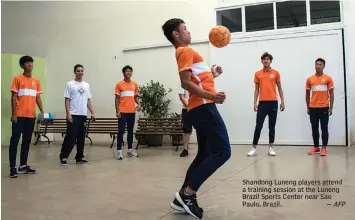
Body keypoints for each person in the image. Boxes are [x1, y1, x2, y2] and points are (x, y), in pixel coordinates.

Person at [162, 18, 231, 219]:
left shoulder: (186, 52)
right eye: (185, 29)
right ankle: (188, 193)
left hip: (198, 108)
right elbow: (185, 83)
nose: (189, 32)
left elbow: (194, 79)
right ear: (176, 34)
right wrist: (211, 96)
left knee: (204, 154)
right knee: (223, 151)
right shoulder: (184, 51)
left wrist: (212, 74)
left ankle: (181, 198)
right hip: (204, 107)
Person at [8, 56, 44, 178]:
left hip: (31, 117)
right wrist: (14, 114)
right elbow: (13, 97)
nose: (30, 64)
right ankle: (12, 167)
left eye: (31, 62)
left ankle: (23, 165)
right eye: (27, 63)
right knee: (15, 141)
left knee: (27, 142)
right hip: (19, 116)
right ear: (22, 66)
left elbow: (38, 98)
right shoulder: (17, 79)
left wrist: (42, 111)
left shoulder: (36, 81)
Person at [247, 52, 285, 157]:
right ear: (262, 61)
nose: (266, 60)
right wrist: (255, 103)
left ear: (270, 61)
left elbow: (280, 88)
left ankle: (271, 147)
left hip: (273, 103)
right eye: (264, 59)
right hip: (262, 103)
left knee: (271, 126)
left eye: (268, 59)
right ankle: (254, 148)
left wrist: (282, 101)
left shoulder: (276, 73)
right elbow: (256, 90)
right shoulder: (257, 74)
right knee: (258, 126)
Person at [59, 64, 95, 166]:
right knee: (71, 137)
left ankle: (79, 157)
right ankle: (63, 156)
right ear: (74, 72)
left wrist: (92, 112)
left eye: (82, 71)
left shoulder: (86, 85)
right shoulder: (70, 84)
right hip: (73, 114)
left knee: (81, 137)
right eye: (78, 71)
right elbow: (67, 100)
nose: (80, 72)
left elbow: (88, 100)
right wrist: (68, 114)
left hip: (83, 114)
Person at [306, 58, 334, 156]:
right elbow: (307, 94)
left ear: (323, 66)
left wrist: (331, 107)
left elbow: (331, 94)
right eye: (317, 64)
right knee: (314, 128)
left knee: (324, 128)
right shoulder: (310, 79)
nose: (318, 66)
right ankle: (316, 147)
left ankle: (324, 148)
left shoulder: (328, 78)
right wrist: (308, 107)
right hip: (313, 107)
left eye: (320, 64)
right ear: (315, 66)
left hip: (324, 107)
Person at [115, 65, 141, 160]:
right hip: (122, 111)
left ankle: (130, 150)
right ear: (123, 73)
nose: (128, 73)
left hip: (131, 112)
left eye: (130, 71)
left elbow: (135, 98)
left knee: (130, 131)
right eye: (127, 71)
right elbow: (117, 99)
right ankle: (119, 151)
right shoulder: (119, 84)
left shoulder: (134, 84)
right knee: (121, 131)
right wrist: (117, 111)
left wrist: (139, 104)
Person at [178, 88, 192, 157]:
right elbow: (181, 97)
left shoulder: (196, 81)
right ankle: (185, 149)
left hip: (197, 107)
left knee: (201, 128)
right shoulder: (182, 84)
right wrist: (189, 106)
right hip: (186, 108)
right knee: (186, 129)